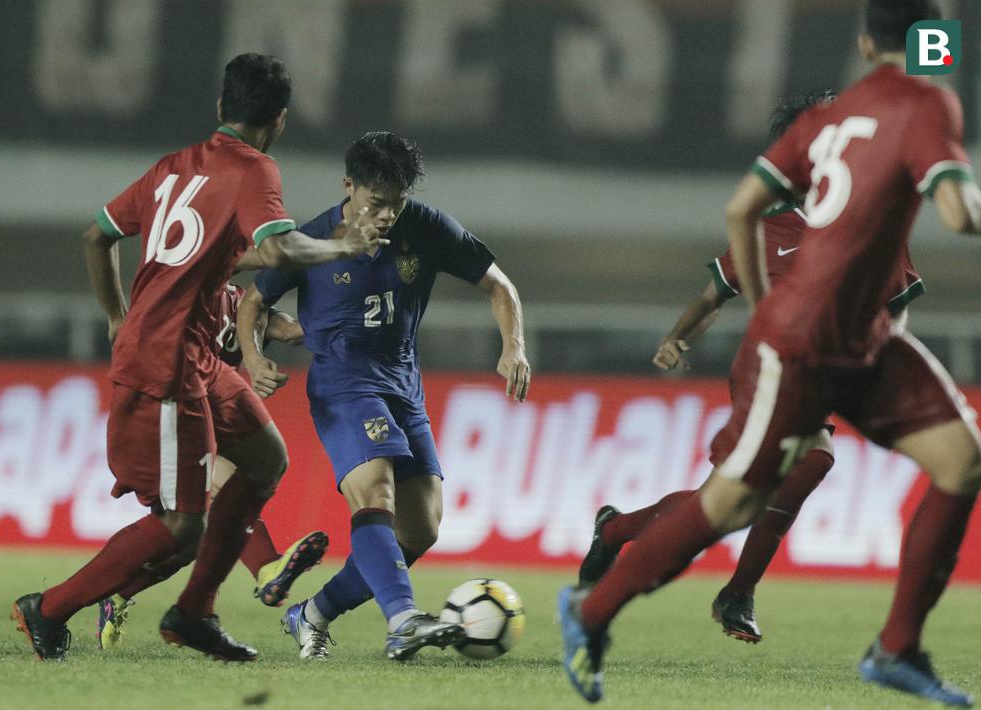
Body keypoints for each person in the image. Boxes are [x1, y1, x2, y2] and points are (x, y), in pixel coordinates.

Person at [561, 1, 981, 705]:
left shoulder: (825, 127)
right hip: (798, 348)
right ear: (929, 45)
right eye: (938, 44)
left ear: (861, 41)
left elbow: (739, 208)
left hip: (854, 345)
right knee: (733, 500)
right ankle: (598, 610)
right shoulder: (924, 101)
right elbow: (957, 213)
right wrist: (769, 318)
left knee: (958, 455)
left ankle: (894, 646)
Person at [11, 53, 386, 663]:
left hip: (194, 355)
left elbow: (97, 236)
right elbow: (280, 246)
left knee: (266, 459)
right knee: (184, 526)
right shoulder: (254, 170)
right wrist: (342, 245)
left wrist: (115, 315)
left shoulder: (171, 169)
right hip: (165, 364)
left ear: (220, 108)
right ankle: (49, 608)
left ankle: (194, 612)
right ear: (281, 120)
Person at [577, 90, 928, 644]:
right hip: (766, 369)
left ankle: (616, 528)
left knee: (728, 501)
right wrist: (676, 338)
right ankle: (737, 592)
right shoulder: (769, 230)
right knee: (812, 459)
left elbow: (896, 309)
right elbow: (713, 295)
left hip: (827, 371)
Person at [238, 131, 531, 661]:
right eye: (377, 203)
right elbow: (253, 301)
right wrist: (254, 357)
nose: (387, 215)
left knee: (421, 529)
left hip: (403, 387)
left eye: (396, 203)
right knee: (376, 493)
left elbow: (500, 287)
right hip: (343, 384)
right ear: (349, 186)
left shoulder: (427, 226)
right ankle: (403, 621)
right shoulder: (312, 241)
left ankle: (313, 614)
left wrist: (514, 346)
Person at [96, 284, 330, 649]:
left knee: (187, 544)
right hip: (167, 420)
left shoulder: (244, 301)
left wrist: (346, 303)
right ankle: (268, 568)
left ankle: (116, 595)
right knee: (224, 492)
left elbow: (290, 330)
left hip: (208, 421)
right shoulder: (184, 290)